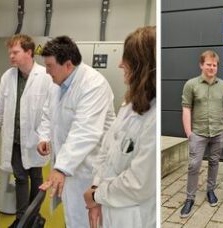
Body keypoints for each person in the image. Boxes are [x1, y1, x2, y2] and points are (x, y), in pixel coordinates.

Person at [36, 36, 116, 228]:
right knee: (72, 217)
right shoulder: (58, 84)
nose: (46, 71)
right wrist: (44, 137)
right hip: (69, 166)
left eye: (49, 66)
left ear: (68, 65)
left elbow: (85, 131)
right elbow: (48, 114)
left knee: (86, 221)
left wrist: (61, 167)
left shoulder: (93, 85)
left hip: (89, 171)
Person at [83, 26, 156, 228]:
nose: (120, 63)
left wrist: (97, 196)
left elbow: (139, 183)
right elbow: (107, 148)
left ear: (142, 65)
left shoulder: (154, 117)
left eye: (127, 59)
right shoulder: (130, 104)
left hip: (133, 217)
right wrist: (96, 187)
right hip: (110, 207)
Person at [0, 34, 53, 227]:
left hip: (36, 138)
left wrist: (45, 137)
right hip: (14, 139)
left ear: (29, 52)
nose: (11, 56)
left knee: (36, 177)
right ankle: (23, 218)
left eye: (15, 52)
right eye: (10, 53)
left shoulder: (45, 76)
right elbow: (0, 107)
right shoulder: (8, 76)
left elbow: (49, 110)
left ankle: (33, 216)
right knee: (21, 178)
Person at [180, 50, 223, 218]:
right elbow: (186, 108)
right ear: (201, 65)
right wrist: (189, 132)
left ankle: (211, 191)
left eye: (214, 65)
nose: (211, 67)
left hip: (218, 132)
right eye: (208, 64)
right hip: (199, 133)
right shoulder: (191, 84)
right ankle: (190, 198)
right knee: (193, 165)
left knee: (214, 162)